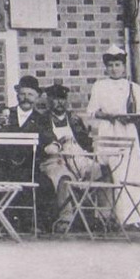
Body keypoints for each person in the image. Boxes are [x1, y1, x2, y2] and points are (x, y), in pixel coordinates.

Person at [85, 46, 140, 228]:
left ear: (124, 67)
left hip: (127, 131)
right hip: (108, 132)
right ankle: (107, 217)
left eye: (118, 64)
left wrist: (128, 117)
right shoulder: (99, 86)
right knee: (108, 172)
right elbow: (92, 112)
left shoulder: (133, 88)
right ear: (106, 67)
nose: (114, 68)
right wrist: (108, 116)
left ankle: (134, 217)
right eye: (110, 65)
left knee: (130, 171)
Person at [0, 74, 54, 234]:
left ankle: (34, 224)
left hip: (27, 167)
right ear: (17, 95)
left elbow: (49, 140)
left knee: (45, 185)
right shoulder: (6, 113)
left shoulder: (42, 119)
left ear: (37, 97)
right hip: (1, 166)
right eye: (23, 94)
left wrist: (55, 145)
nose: (26, 98)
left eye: (30, 94)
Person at [37, 81, 96, 230]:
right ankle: (66, 218)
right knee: (63, 177)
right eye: (55, 99)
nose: (59, 103)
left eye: (62, 99)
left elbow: (86, 143)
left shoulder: (74, 119)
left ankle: (103, 218)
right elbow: (45, 144)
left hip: (77, 158)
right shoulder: (42, 120)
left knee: (102, 171)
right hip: (54, 160)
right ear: (49, 101)